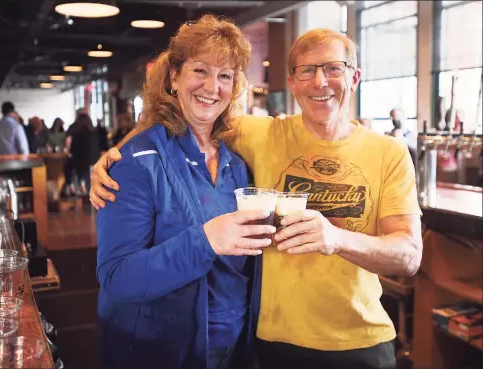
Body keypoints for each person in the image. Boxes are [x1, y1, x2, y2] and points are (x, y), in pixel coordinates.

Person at [90, 27, 423, 369]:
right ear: (292, 82)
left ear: (354, 77)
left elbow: (409, 258)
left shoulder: (389, 152)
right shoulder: (261, 135)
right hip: (270, 342)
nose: (320, 82)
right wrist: (114, 155)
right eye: (307, 70)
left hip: (359, 340)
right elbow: (184, 113)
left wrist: (337, 238)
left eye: (333, 68)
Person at [95, 15, 275, 369]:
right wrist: (205, 240)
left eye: (225, 76)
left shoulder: (236, 164)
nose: (213, 87)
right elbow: (116, 277)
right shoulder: (135, 163)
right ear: (174, 77)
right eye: (200, 71)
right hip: (160, 351)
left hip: (235, 346)